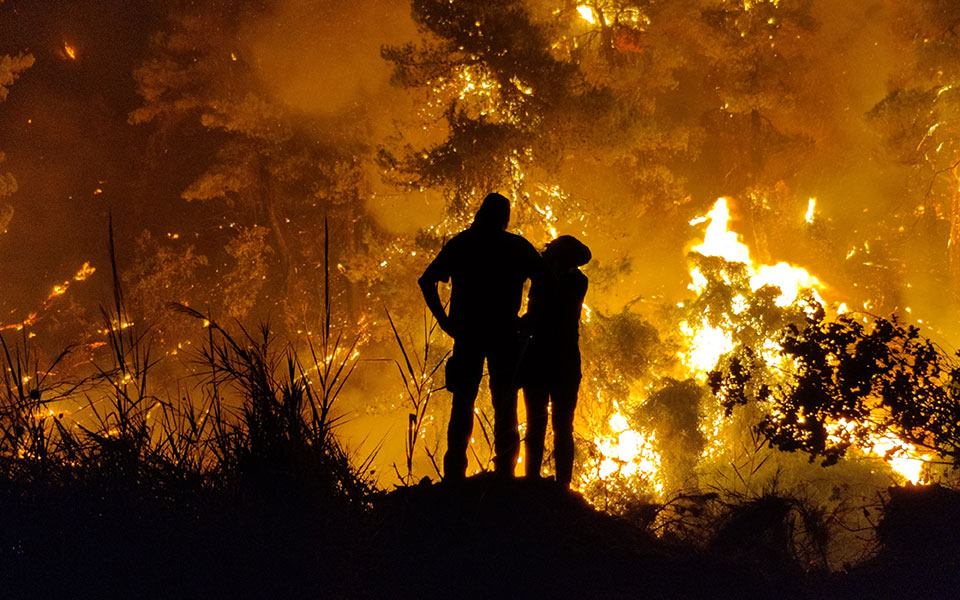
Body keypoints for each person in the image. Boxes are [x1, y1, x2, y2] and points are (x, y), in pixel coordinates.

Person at [419, 192, 545, 480]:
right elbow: (547, 280)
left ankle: (454, 479)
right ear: (505, 218)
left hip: (468, 334)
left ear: (480, 213)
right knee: (505, 404)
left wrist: (444, 321)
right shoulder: (516, 246)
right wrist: (530, 319)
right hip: (505, 334)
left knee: (462, 403)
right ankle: (505, 477)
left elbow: (426, 281)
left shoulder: (462, 243)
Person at [520, 235, 591, 488]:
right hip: (565, 360)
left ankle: (533, 481)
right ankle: (560, 486)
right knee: (560, 425)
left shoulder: (546, 280)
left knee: (538, 422)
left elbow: (534, 316)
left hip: (541, 357)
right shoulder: (578, 281)